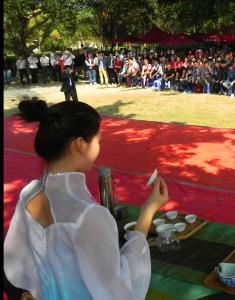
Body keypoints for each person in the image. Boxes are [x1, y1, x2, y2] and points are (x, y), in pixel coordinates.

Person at [4, 98, 170, 299]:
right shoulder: (87, 216)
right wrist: (149, 210)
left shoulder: (29, 193)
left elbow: (17, 261)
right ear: (81, 144)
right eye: (98, 140)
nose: (99, 147)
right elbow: (120, 287)